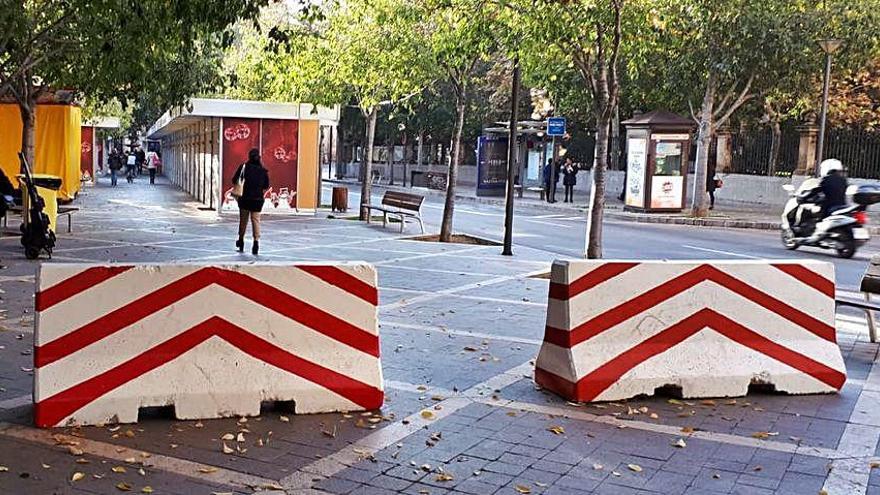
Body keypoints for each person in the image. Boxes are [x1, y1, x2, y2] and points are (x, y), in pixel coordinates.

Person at [232, 148, 270, 255]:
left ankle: (241, 240)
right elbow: (266, 185)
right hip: (257, 200)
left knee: (243, 220)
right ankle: (256, 243)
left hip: (244, 199)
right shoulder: (263, 171)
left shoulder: (244, 167)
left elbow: (234, 179)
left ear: (249, 157)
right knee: (255, 221)